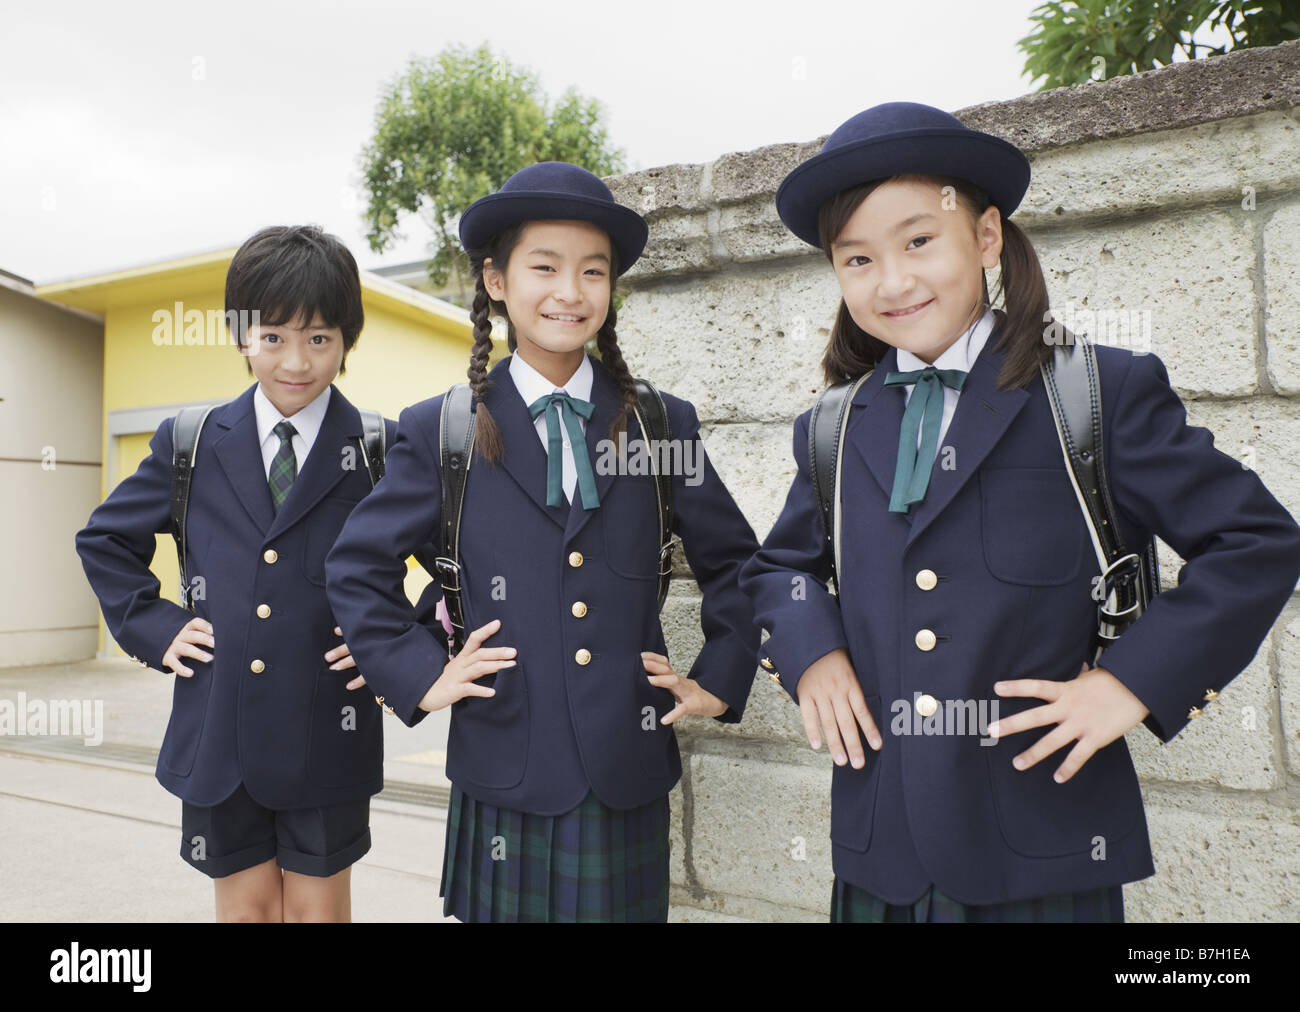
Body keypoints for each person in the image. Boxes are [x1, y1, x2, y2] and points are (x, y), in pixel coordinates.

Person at [739, 102, 1300, 922]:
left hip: (1044, 851)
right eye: (857, 258)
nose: (892, 281)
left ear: (988, 237)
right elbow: (780, 568)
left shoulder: (1095, 393)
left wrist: (1130, 682)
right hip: (880, 850)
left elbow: (1256, 542)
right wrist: (810, 651)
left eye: (919, 240)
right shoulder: (832, 425)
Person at [325, 162, 761, 922]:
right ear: (496, 281)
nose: (570, 291)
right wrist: (421, 675)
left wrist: (718, 677)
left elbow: (739, 565)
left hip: (625, 768)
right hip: (503, 762)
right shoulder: (442, 429)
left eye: (594, 271)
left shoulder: (661, 426)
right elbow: (356, 568)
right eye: (545, 267)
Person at [76, 225, 396, 922]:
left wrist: (394, 651)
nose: (295, 361)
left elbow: (452, 560)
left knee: (319, 912)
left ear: (347, 340)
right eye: (273, 336)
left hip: (328, 729)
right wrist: (157, 628)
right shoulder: (190, 442)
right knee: (245, 910)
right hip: (221, 730)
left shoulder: (378, 448)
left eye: (319, 338)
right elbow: (104, 540)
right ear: (241, 335)